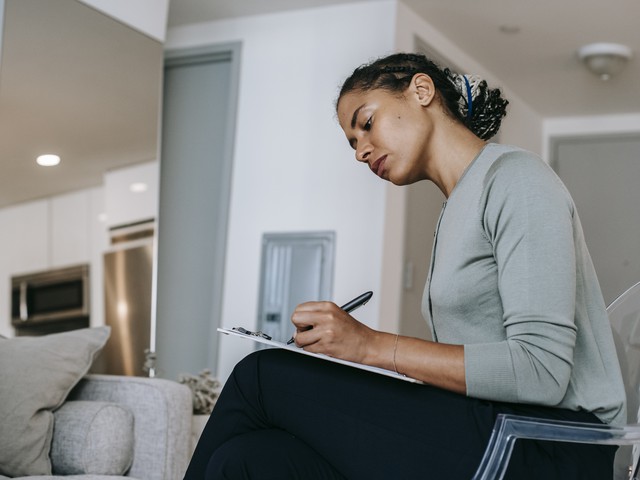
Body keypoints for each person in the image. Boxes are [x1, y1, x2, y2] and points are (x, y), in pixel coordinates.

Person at [184, 52, 626, 479]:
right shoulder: (456, 209)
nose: (360, 151)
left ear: (421, 90)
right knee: (246, 459)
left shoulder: (517, 179)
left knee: (259, 377)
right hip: (490, 429)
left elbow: (542, 372)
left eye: (367, 124)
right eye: (353, 143)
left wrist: (369, 346)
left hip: (549, 448)